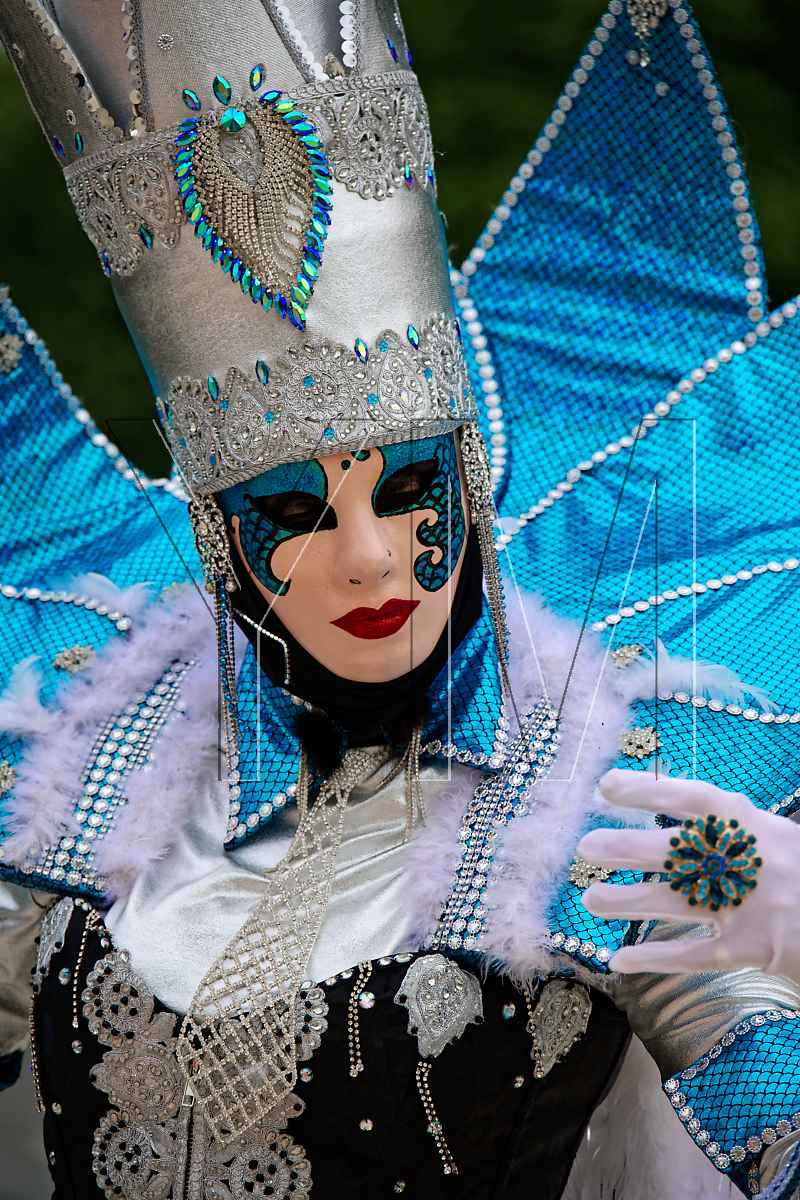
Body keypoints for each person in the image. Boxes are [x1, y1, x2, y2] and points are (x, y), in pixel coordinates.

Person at [0, 1, 799, 1197]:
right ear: (221, 536)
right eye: (295, 511)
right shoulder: (82, 752)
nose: (372, 560)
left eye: (411, 491)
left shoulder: (616, 797)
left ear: (465, 486)